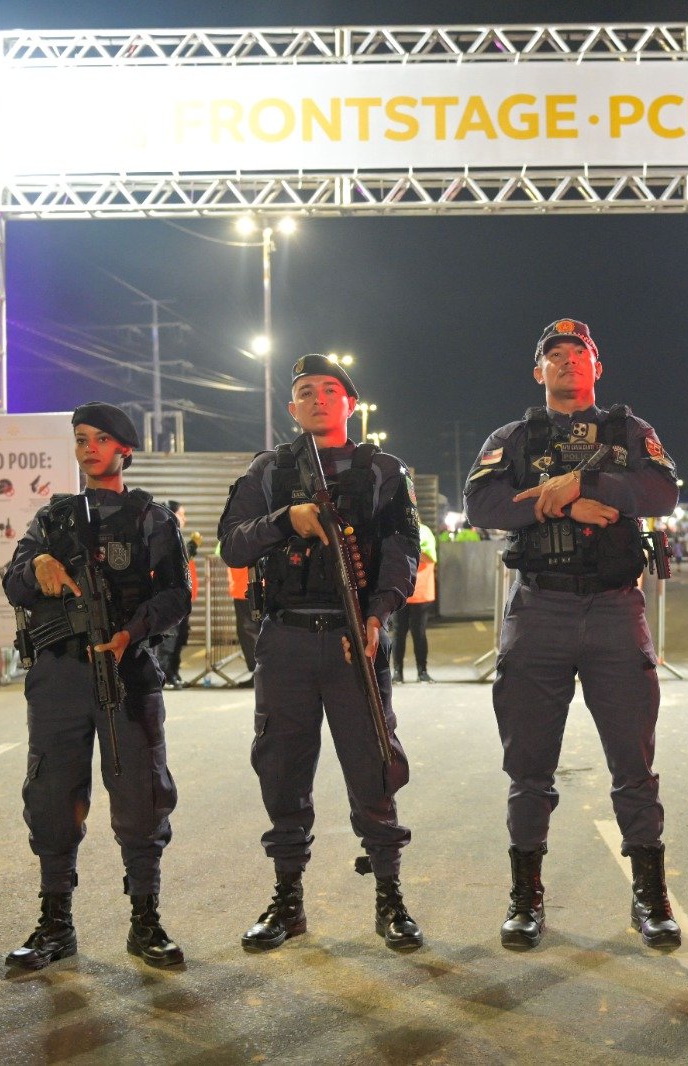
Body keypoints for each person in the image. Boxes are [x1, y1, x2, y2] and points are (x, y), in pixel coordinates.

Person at [465, 317, 681, 951]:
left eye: (578, 353)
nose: (567, 361)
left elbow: (662, 491)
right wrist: (557, 500)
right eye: (554, 355)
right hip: (540, 610)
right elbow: (480, 505)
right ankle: (525, 898)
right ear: (539, 371)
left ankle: (650, 897)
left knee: (634, 765)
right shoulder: (513, 438)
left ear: (597, 366)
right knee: (529, 766)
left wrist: (586, 482)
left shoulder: (629, 432)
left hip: (615, 610)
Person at [219, 354, 423, 952]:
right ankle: (287, 902)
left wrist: (379, 613)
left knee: (373, 766)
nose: (317, 399)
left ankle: (390, 898)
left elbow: (402, 549)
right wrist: (287, 519)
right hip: (284, 639)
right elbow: (233, 543)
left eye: (329, 390)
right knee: (282, 769)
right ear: (292, 407)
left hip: (352, 637)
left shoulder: (381, 470)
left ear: (349, 404)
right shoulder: (269, 470)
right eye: (305, 391)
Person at [0, 403, 189, 971]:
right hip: (58, 674)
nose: (88, 449)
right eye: (81, 439)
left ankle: (145, 919)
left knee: (141, 797)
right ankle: (55, 922)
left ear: (124, 450)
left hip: (127, 671)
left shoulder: (151, 518)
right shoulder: (52, 519)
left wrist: (133, 632)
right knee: (53, 798)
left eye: (100, 440)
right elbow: (13, 582)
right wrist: (37, 568)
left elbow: (176, 596)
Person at [392, 519, 438, 683]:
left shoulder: (424, 532)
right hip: (400, 592)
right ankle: (397, 672)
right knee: (398, 633)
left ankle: (422, 671)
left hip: (420, 592)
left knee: (419, 633)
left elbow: (430, 558)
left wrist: (410, 549)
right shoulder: (396, 533)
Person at [162, 500, 201, 687]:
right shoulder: (163, 538)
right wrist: (191, 547)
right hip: (170, 598)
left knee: (180, 637)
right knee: (168, 638)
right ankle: (164, 675)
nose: (184, 519)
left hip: (182, 599)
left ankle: (174, 673)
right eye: (181, 515)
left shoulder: (177, 537)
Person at [225, 562, 259, 687]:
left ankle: (258, 672)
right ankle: (263, 672)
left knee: (247, 630)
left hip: (245, 586)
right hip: (259, 585)